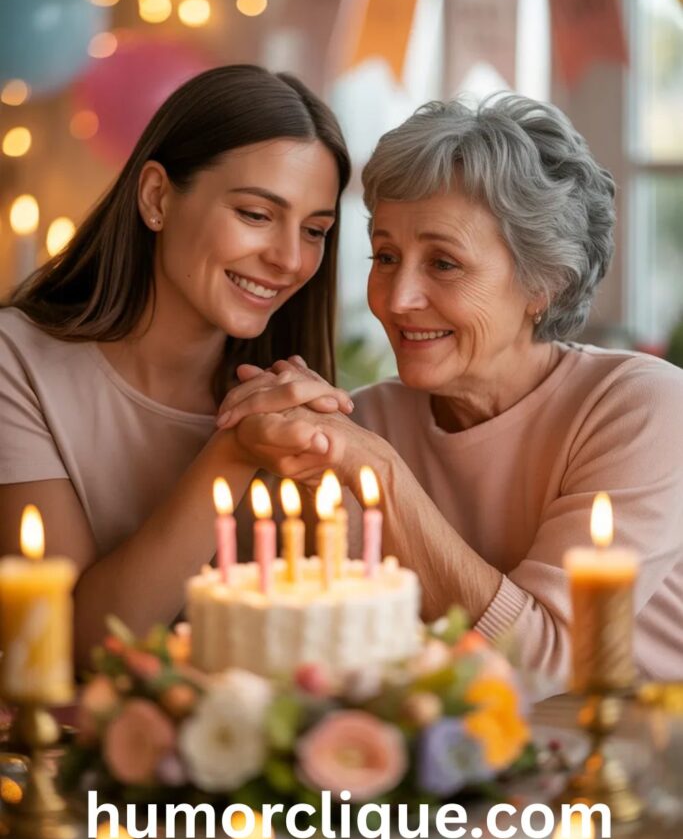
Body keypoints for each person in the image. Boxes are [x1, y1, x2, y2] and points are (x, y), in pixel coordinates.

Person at [221, 94, 683, 691]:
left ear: (544, 282)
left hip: (639, 767)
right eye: (386, 255)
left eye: (443, 263)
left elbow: (546, 663)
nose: (397, 297)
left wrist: (380, 473)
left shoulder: (642, 407)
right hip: (453, 772)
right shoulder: (369, 422)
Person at [0, 64, 352, 666]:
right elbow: (66, 651)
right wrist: (234, 454)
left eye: (316, 230)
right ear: (157, 197)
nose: (290, 259)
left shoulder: (297, 403)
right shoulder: (17, 363)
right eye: (256, 215)